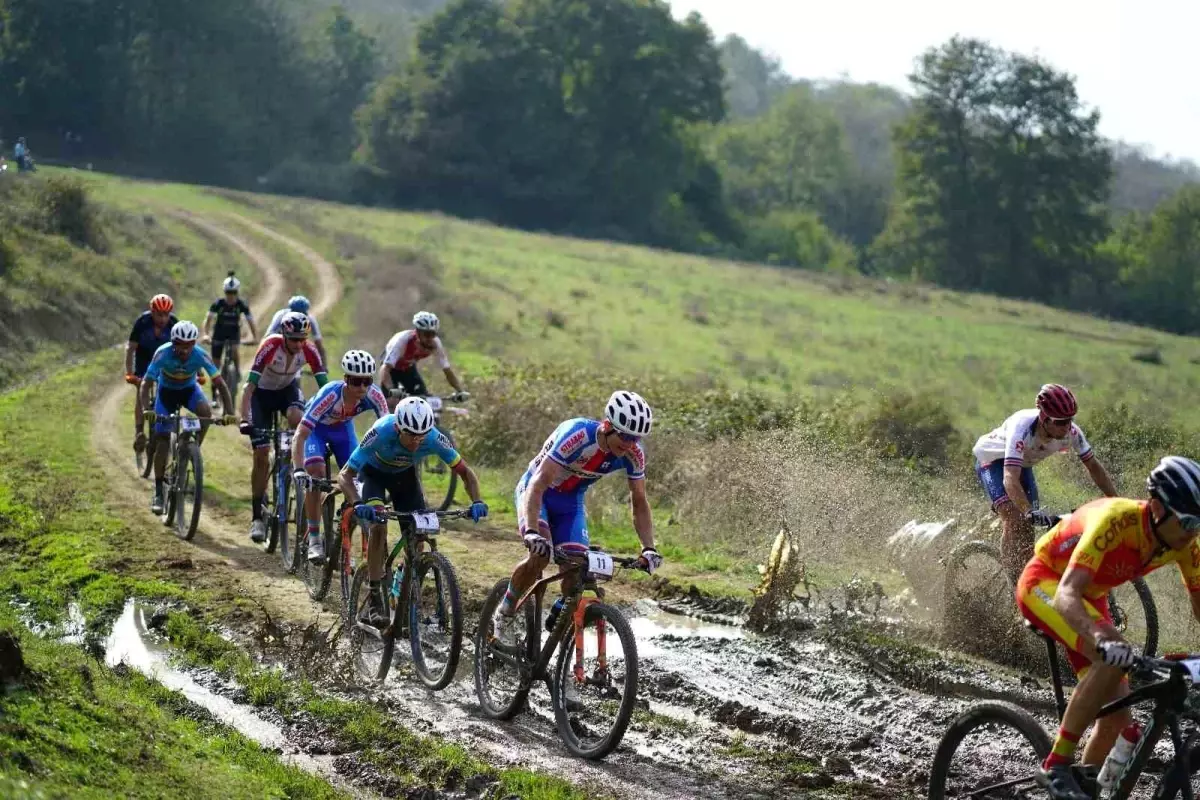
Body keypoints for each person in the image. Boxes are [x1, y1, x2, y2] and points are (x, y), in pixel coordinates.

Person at [1016, 456, 1200, 800]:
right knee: (1113, 655)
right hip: (1047, 583)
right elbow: (1067, 594)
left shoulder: (1186, 543)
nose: (1194, 531)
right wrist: (1102, 638)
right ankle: (1055, 764)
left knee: (1118, 718)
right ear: (1158, 509)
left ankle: (1081, 788)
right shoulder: (1116, 521)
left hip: (1091, 598)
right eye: (1189, 521)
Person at [491, 391, 662, 646]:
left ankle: (560, 621)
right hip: (538, 493)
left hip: (570, 504)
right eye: (625, 436)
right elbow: (538, 483)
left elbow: (639, 500)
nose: (629, 444)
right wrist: (532, 531)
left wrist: (648, 547)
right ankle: (504, 612)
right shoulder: (577, 435)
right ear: (607, 426)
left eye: (635, 438)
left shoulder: (634, 454)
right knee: (540, 556)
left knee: (577, 570)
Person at [337, 396, 488, 626]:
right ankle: (375, 598)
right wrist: (358, 503)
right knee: (379, 525)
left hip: (405, 478)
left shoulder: (435, 438)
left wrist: (477, 500)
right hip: (373, 475)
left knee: (419, 533)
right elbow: (345, 475)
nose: (417, 441)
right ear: (398, 427)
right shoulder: (380, 431)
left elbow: (465, 472)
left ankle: (401, 589)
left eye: (422, 435)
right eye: (411, 435)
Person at [972, 384, 1118, 577]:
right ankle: (1012, 584)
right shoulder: (1021, 427)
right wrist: (1028, 511)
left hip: (1022, 466)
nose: (1067, 427)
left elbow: (1093, 467)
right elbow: (1009, 477)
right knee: (1017, 519)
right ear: (1044, 418)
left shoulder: (1072, 432)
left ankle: (1025, 580)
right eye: (1060, 422)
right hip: (992, 462)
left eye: (1070, 419)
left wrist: (1116, 502)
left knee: (1028, 536)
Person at [291, 349, 388, 563]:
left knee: (356, 477)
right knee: (316, 472)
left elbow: (387, 430)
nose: (362, 387)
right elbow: (300, 434)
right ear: (346, 379)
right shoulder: (330, 394)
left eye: (366, 381)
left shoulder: (374, 394)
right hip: (316, 430)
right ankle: (315, 539)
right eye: (356, 381)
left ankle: (343, 539)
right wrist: (298, 469)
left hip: (343, 430)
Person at [239, 312, 328, 543]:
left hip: (287, 392)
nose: (299, 345)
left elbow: (326, 388)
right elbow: (249, 388)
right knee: (261, 455)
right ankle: (257, 516)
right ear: (284, 334)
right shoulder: (270, 346)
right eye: (294, 339)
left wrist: (330, 416)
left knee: (297, 417)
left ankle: (296, 456)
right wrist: (244, 419)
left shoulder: (308, 349)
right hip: (261, 397)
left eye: (303, 339)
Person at [137, 322, 236, 514]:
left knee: (205, 414)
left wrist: (229, 412)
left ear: (193, 344)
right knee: (163, 440)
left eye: (188, 345)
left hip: (190, 391)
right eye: (180, 345)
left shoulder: (200, 354)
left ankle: (193, 449)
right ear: (173, 342)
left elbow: (221, 384)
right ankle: (158, 492)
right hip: (166, 394)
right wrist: (146, 408)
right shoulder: (163, 353)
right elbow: (146, 384)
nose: (184, 349)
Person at [125, 294, 178, 455]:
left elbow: (184, 350)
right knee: (142, 390)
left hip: (164, 362)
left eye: (166, 315)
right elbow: (131, 348)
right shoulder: (142, 322)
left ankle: (167, 427)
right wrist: (129, 373)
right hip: (144, 360)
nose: (162, 319)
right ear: (152, 311)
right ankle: (139, 431)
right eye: (158, 314)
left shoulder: (174, 324)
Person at [377, 311, 466, 407]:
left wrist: (460, 390)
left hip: (408, 368)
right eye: (427, 334)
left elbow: (447, 370)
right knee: (392, 402)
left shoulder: (435, 343)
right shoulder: (402, 340)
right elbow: (385, 369)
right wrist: (390, 389)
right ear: (417, 332)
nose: (430, 338)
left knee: (423, 400)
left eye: (433, 334)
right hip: (390, 370)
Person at [202, 272, 257, 404]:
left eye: (233, 293)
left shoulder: (241, 305)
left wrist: (255, 337)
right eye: (228, 292)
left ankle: (236, 371)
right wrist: (205, 334)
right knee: (214, 366)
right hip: (218, 334)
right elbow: (208, 320)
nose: (231, 296)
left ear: (237, 292)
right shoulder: (218, 304)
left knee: (234, 349)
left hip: (233, 334)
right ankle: (214, 396)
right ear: (225, 292)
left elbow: (250, 321)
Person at [266, 296, 327, 372]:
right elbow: (268, 336)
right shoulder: (280, 315)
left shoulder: (310, 319)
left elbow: (318, 343)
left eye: (301, 314)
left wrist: (323, 365)